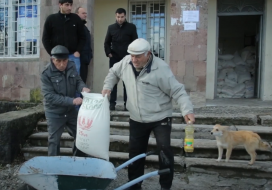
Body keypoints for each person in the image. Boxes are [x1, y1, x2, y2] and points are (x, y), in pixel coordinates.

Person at [102, 38, 195, 190]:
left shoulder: (161, 68)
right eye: (132, 55)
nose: (134, 59)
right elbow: (113, 72)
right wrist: (108, 86)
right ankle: (135, 186)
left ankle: (165, 186)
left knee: (164, 151)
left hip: (160, 118)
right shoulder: (126, 62)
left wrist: (187, 110)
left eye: (138, 56)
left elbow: (177, 90)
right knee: (135, 153)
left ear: (148, 54)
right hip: (137, 118)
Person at [41, 45, 90, 157]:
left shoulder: (71, 66)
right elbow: (50, 96)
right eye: (58, 61)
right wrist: (72, 101)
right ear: (53, 60)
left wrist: (83, 88)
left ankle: (78, 161)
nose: (62, 64)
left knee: (81, 135)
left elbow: (78, 80)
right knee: (54, 141)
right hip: (55, 112)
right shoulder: (46, 74)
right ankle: (54, 168)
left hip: (70, 111)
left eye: (65, 60)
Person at [104, 8, 138, 111]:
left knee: (127, 82)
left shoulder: (131, 27)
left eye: (122, 17)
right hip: (114, 58)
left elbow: (135, 42)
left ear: (125, 16)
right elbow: (106, 42)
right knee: (113, 81)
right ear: (115, 16)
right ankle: (112, 104)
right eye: (118, 17)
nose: (120, 19)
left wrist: (132, 56)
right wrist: (108, 53)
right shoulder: (111, 28)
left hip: (127, 58)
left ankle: (127, 104)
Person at [42, 0, 86, 76]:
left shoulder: (76, 19)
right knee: (57, 79)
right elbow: (45, 39)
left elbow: (82, 36)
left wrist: (78, 51)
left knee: (74, 80)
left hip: (73, 56)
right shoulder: (51, 19)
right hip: (57, 57)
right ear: (60, 5)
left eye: (71, 5)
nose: (69, 7)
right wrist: (52, 53)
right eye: (67, 5)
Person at [76, 6, 93, 83]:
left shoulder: (84, 27)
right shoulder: (75, 26)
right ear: (77, 14)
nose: (85, 15)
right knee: (79, 82)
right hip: (79, 59)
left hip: (85, 59)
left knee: (83, 81)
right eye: (83, 13)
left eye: (85, 13)